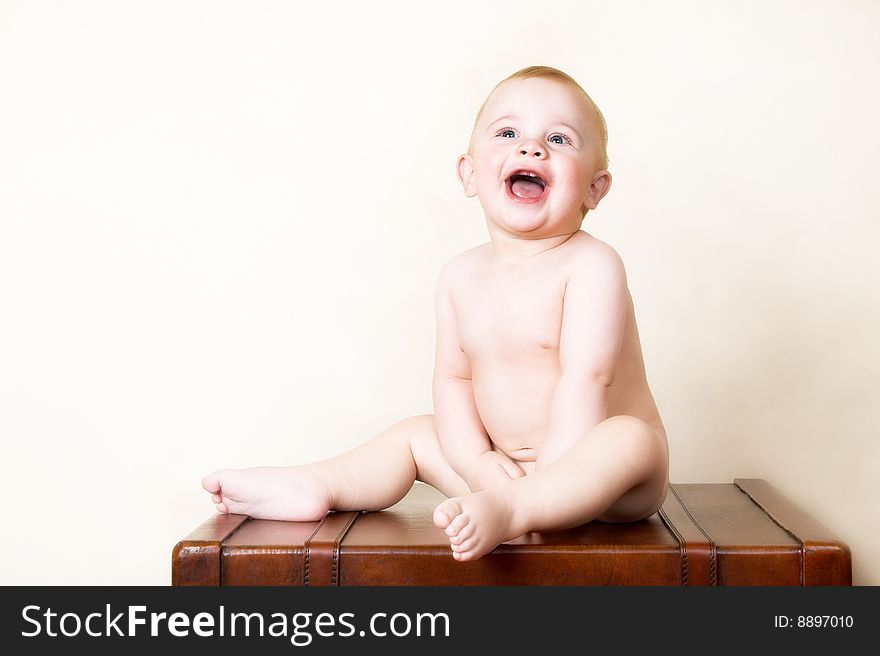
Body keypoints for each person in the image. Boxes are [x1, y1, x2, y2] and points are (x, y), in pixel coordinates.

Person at [202, 66, 669, 561]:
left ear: (595, 189)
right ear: (469, 173)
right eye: (509, 133)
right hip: (506, 472)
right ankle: (317, 484)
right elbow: (454, 383)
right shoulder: (459, 277)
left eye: (558, 138)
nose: (532, 147)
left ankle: (518, 511)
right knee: (416, 434)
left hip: (602, 477)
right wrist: (479, 465)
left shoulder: (591, 264)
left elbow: (587, 379)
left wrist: (541, 488)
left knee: (629, 438)